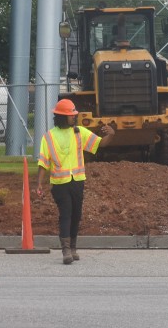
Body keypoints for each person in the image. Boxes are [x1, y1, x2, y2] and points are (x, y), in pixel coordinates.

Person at [36, 99, 114, 265]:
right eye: (71, 116)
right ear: (62, 117)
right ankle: (65, 251)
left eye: (74, 115)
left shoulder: (79, 132)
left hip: (77, 181)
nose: (74, 118)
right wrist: (39, 184)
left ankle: (72, 248)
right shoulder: (49, 137)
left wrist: (111, 134)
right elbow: (43, 162)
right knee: (66, 214)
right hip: (59, 184)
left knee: (76, 215)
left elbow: (100, 144)